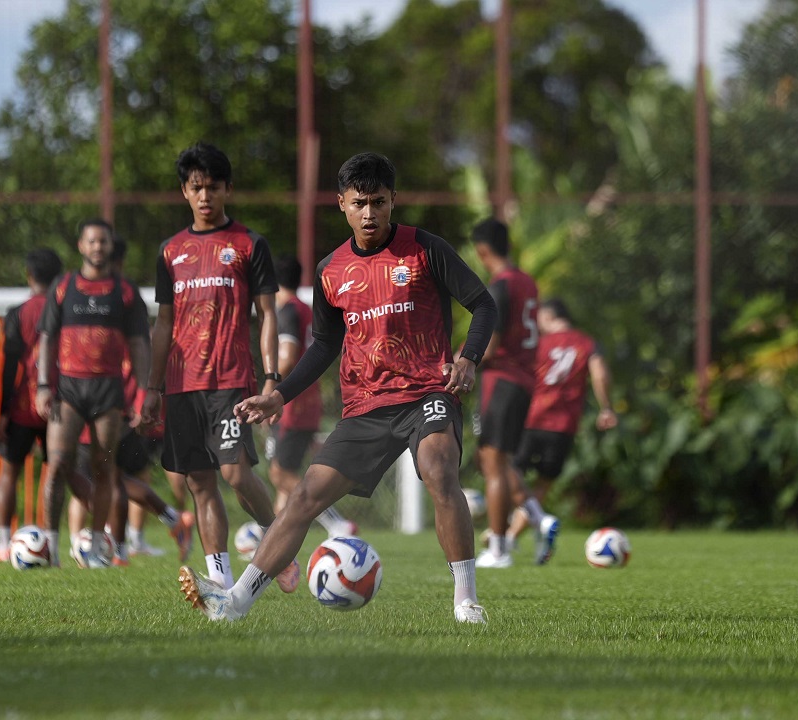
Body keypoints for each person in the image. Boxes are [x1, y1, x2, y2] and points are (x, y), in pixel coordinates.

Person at [179, 152, 497, 624]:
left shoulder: (425, 249)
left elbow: (483, 305)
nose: (370, 213)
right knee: (305, 495)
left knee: (438, 467)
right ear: (342, 205)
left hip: (427, 393)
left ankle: (466, 600)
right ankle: (234, 603)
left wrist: (467, 357)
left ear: (393, 201)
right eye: (360, 203)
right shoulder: (331, 271)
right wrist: (278, 395)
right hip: (366, 405)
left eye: (379, 202)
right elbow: (324, 346)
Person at [139, 142, 297, 593]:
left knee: (234, 473)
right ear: (184, 192)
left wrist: (271, 379)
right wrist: (152, 388)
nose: (205, 195)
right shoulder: (170, 252)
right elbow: (163, 324)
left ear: (228, 189)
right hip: (182, 383)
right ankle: (219, 580)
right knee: (198, 481)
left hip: (231, 380)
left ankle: (281, 549)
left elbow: (267, 314)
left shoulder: (249, 244)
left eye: (213, 187)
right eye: (196, 187)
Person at [36, 219, 151, 567]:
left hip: (108, 392)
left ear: (110, 246)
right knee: (57, 465)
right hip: (69, 389)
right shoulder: (63, 286)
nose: (98, 247)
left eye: (103, 241)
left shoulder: (126, 292)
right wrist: (43, 385)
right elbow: (47, 339)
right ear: (81, 246)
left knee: (104, 469)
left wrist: (144, 393)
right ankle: (50, 548)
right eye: (92, 241)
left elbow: (139, 345)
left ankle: (97, 547)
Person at [505, 298, 618, 562]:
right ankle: (513, 536)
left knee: (507, 470)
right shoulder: (587, 342)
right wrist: (606, 408)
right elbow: (600, 374)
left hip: (532, 419)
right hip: (564, 426)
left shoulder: (539, 344)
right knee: (542, 485)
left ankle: (521, 529)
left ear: (547, 315)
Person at [469, 217, 550, 569]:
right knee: (497, 461)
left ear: (482, 251)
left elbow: (489, 345)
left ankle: (498, 549)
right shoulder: (528, 282)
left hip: (501, 379)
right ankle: (535, 516)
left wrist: (459, 362)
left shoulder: (500, 286)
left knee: (493, 463)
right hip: (524, 379)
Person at [266, 255, 355, 538]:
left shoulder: (287, 311)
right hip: (308, 399)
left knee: (279, 474)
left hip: (291, 403)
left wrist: (270, 389)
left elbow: (288, 356)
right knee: (286, 473)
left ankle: (334, 522)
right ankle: (272, 534)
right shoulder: (305, 308)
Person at [0, 249, 63, 563]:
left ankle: (3, 545)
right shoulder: (64, 310)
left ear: (29, 276)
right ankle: (51, 541)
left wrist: (3, 410)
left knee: (8, 474)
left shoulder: (17, 312)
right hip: (58, 404)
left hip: (21, 404)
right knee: (54, 474)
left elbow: (9, 367)